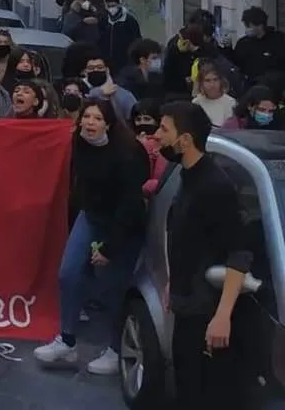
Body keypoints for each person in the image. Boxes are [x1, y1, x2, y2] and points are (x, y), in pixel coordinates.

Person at [34, 98, 148, 375]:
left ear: (108, 123)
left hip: (123, 225)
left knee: (111, 287)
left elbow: (130, 204)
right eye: (86, 117)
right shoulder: (79, 143)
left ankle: (115, 350)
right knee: (68, 274)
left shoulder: (129, 153)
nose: (90, 123)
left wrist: (108, 247)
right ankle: (67, 341)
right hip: (91, 217)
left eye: (97, 118)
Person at [155, 101, 256, 409]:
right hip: (187, 302)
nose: (157, 136)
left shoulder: (215, 186)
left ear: (184, 140)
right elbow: (187, 239)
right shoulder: (188, 176)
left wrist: (222, 317)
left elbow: (238, 252)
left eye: (164, 129)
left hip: (206, 312)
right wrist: (174, 280)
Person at [230, 6, 285, 86]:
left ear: (260, 25)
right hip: (248, 87)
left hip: (273, 87)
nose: (247, 29)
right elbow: (235, 64)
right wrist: (227, 49)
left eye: (249, 26)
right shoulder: (243, 43)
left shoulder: (278, 40)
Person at [82, 52, 137, 120]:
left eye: (100, 67)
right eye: (91, 68)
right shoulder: (79, 90)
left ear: (107, 70)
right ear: (85, 72)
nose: (95, 70)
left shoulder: (123, 95)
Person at [101, 0, 142, 75]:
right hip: (108, 61)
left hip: (125, 60)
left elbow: (137, 39)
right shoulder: (104, 19)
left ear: (118, 5)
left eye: (113, 6)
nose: (111, 9)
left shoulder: (129, 20)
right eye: (109, 6)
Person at [116, 38, 163, 102]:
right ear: (142, 60)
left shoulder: (156, 77)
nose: (158, 61)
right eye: (154, 58)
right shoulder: (127, 82)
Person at [192, 62, 237, 127]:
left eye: (215, 80)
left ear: (221, 81)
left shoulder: (231, 103)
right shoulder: (196, 103)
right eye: (207, 80)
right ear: (201, 83)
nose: (212, 85)